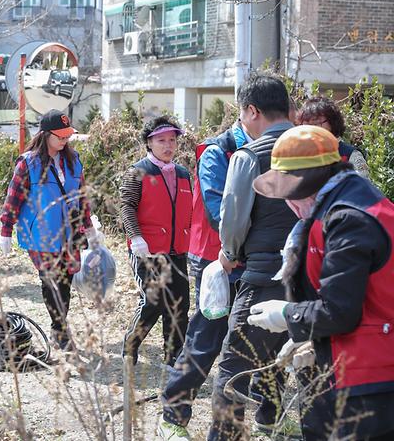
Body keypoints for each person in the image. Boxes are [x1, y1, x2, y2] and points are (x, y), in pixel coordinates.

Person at [247, 125, 394, 441]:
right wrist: (316, 344)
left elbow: (340, 311)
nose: (292, 206)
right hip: (367, 368)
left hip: (372, 381)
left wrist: (288, 315)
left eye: (294, 194)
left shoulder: (348, 219)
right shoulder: (356, 202)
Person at [208, 73, 299, 441]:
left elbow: (233, 217)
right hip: (313, 284)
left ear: (252, 110)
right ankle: (273, 425)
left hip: (263, 278)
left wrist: (229, 254)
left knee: (232, 370)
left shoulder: (250, 155)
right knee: (284, 361)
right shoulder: (323, 149)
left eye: (242, 114)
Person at [157, 120, 251, 440]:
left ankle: (235, 425)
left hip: (250, 260)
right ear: (252, 113)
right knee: (207, 338)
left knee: (243, 344)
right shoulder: (217, 152)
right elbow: (217, 212)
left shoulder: (264, 147)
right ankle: (173, 412)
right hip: (216, 260)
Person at [0, 110, 98, 350]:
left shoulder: (74, 161)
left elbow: (81, 197)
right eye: (60, 137)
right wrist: (5, 230)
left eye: (67, 136)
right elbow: (14, 197)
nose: (64, 141)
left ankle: (58, 327)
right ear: (45, 135)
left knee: (65, 280)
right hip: (41, 234)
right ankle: (61, 330)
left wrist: (89, 226)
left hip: (71, 233)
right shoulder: (29, 162)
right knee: (51, 281)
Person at [120, 115, 192, 367]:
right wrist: (136, 237)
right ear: (149, 143)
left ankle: (173, 359)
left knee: (180, 304)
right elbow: (127, 206)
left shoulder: (183, 173)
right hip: (147, 250)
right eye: (161, 140)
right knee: (153, 301)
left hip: (177, 250)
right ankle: (131, 344)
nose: (168, 145)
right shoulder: (137, 171)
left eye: (172, 140)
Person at [297, 96, 369, 178]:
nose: (312, 129)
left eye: (316, 123)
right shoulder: (299, 154)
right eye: (307, 125)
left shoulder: (350, 154)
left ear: (332, 122)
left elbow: (362, 187)